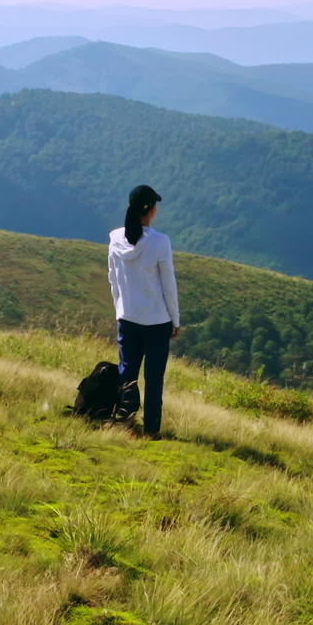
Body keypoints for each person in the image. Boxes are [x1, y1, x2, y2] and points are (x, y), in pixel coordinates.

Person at [107, 184, 180, 439]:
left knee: (127, 370)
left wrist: (120, 308)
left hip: (127, 316)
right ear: (150, 210)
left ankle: (122, 420)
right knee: (154, 377)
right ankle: (151, 429)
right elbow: (168, 284)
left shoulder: (115, 238)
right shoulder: (160, 242)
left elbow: (113, 278)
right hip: (157, 320)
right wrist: (175, 319)